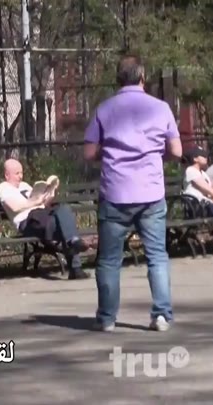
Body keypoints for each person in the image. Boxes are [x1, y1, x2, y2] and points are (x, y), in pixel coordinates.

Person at [84, 53, 183, 333]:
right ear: (142, 77)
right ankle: (161, 315)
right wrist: (157, 154)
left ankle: (107, 318)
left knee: (109, 260)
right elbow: (176, 151)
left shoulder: (104, 109)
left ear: (118, 79)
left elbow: (89, 152)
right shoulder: (161, 108)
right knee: (157, 256)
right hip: (150, 193)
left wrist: (108, 152)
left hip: (115, 193)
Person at [0, 159, 90, 280]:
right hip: (28, 220)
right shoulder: (4, 187)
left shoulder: (25, 185)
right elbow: (14, 207)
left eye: (21, 173)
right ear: (7, 175)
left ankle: (74, 243)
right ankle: (76, 267)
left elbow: (42, 203)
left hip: (42, 214)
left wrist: (51, 193)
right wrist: (35, 202)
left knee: (64, 209)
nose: (21, 176)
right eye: (17, 173)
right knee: (62, 225)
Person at [181, 145, 213, 224]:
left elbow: (210, 193)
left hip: (206, 204)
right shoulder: (190, 170)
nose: (206, 157)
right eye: (202, 155)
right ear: (195, 159)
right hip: (197, 206)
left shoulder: (203, 173)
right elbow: (207, 189)